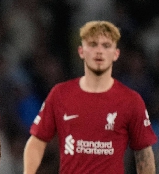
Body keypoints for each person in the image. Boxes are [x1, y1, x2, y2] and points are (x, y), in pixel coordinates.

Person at [23, 20, 158, 174]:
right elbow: (36, 142)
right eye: (93, 45)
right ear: (81, 51)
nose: (99, 51)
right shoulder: (60, 94)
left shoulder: (131, 100)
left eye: (106, 46)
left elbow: (144, 152)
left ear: (116, 54)